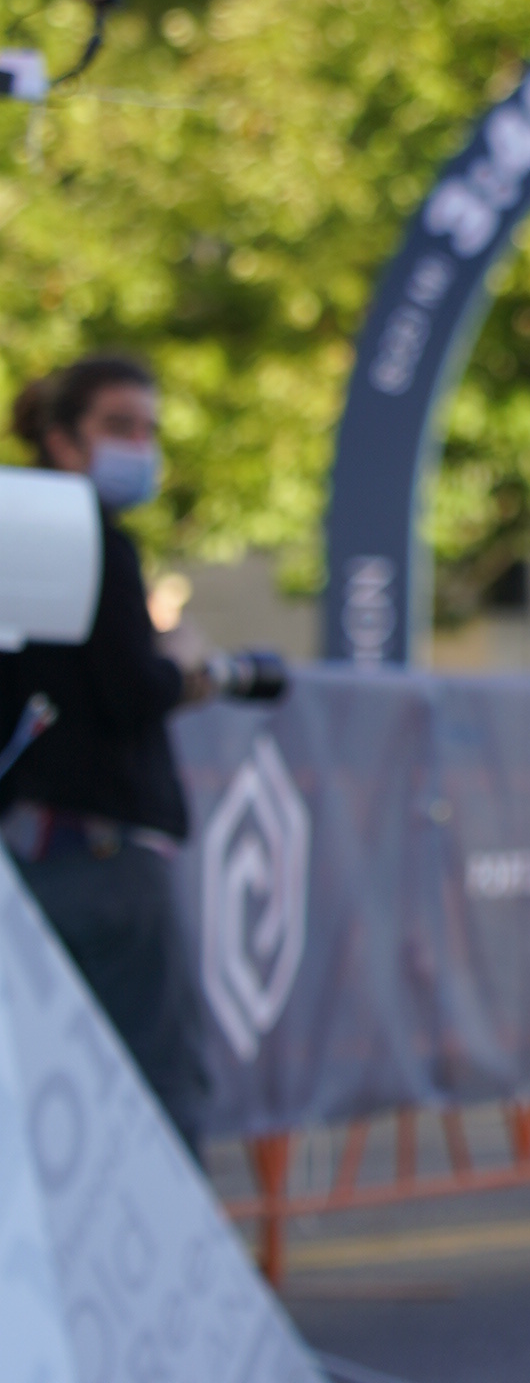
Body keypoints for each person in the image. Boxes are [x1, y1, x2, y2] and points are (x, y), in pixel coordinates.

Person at [0, 356, 283, 1145]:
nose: (140, 446)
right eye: (119, 426)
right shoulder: (91, 541)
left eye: (149, 429)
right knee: (158, 1087)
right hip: (100, 854)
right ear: (62, 439)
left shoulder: (18, 531)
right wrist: (185, 666)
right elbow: (130, 689)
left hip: (31, 854)